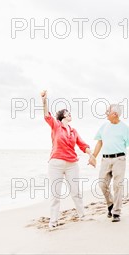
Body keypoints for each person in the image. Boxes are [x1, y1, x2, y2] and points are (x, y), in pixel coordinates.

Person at [40, 90, 96, 229]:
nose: (70, 114)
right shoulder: (56, 125)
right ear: (62, 116)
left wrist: (91, 154)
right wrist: (44, 100)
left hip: (72, 164)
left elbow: (82, 145)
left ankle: (82, 215)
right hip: (56, 164)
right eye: (67, 112)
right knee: (55, 194)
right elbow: (47, 115)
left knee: (76, 192)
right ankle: (53, 221)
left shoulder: (73, 131)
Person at [91, 104, 129, 222]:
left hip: (119, 159)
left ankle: (116, 212)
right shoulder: (104, 126)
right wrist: (93, 156)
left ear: (114, 114)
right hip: (105, 160)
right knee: (102, 184)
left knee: (117, 186)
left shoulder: (125, 128)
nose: (106, 113)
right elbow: (99, 142)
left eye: (108, 111)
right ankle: (110, 204)